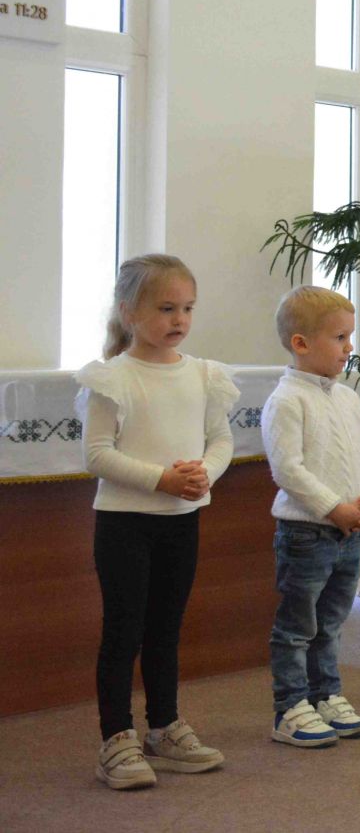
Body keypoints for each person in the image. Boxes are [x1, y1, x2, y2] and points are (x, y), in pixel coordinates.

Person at [77, 254, 235, 788]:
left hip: (181, 520)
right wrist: (161, 479)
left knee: (166, 628)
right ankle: (116, 738)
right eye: (166, 308)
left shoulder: (204, 374)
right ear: (129, 312)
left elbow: (221, 439)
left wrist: (205, 474)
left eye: (187, 308)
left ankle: (164, 728)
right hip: (125, 523)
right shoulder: (112, 377)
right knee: (124, 630)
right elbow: (97, 454)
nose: (180, 319)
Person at [263, 285, 360, 746]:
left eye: (349, 336)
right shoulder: (286, 400)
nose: (349, 347)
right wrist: (334, 508)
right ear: (301, 343)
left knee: (331, 622)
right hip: (306, 532)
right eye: (339, 338)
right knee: (298, 627)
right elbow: (287, 469)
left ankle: (326, 695)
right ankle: (290, 708)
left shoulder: (347, 398)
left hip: (350, 531)